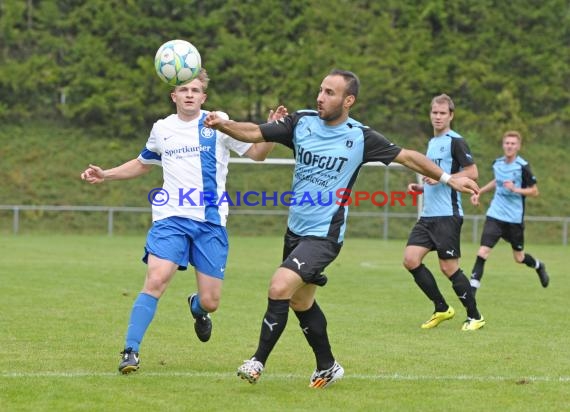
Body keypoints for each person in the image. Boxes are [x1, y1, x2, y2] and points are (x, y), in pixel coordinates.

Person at [204, 69, 479, 388]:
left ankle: (257, 361)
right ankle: (327, 366)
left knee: (279, 287)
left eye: (330, 93)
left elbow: (408, 157)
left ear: (348, 100)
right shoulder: (300, 122)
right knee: (300, 302)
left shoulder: (360, 137)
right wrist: (223, 124)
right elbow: (254, 132)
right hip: (295, 231)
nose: (320, 97)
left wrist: (448, 178)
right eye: (320, 90)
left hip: (324, 235)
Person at [80, 68, 280, 374]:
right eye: (183, 90)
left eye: (195, 90)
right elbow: (143, 163)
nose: (189, 95)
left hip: (211, 222)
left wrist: (271, 131)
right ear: (173, 96)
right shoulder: (162, 128)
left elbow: (257, 153)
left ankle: (197, 308)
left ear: (204, 97)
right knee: (156, 280)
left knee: (211, 301)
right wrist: (106, 174)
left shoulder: (218, 122)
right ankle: (130, 351)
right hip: (170, 218)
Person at [403, 94, 485, 331]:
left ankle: (475, 316)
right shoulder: (432, 143)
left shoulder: (455, 141)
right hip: (428, 216)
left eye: (442, 113)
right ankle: (441, 308)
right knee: (410, 260)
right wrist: (422, 186)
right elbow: (438, 177)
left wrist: (441, 178)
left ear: (451, 115)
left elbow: (472, 172)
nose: (438, 117)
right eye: (434, 113)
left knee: (448, 268)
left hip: (447, 214)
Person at [469, 130, 549, 295]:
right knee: (483, 251)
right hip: (495, 214)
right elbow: (496, 181)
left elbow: (534, 191)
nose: (509, 146)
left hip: (514, 218)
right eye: (507, 143)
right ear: (503, 145)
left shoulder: (522, 166)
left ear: (518, 146)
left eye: (513, 144)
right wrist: (479, 192)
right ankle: (471, 290)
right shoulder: (497, 163)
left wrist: (515, 189)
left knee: (519, 258)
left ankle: (539, 265)